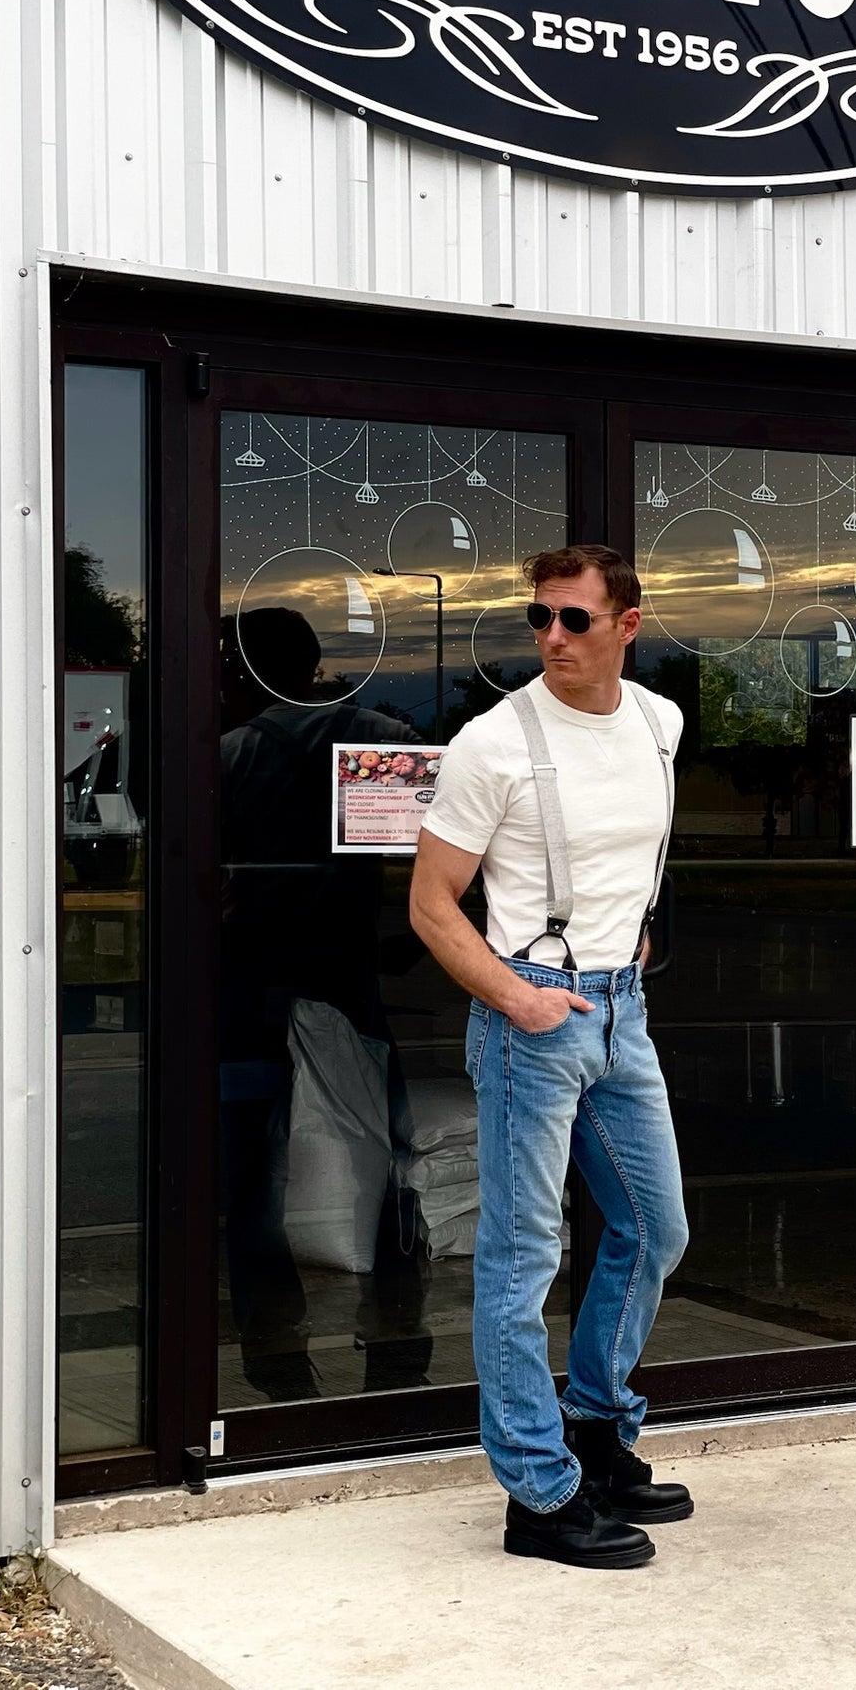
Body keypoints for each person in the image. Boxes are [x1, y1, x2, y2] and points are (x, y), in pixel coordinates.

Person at [410, 545, 691, 1570]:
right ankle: (537, 1492)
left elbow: (638, 859)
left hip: (622, 1011)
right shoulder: (495, 742)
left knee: (654, 1228)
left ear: (627, 622)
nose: (552, 638)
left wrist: (639, 942)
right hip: (534, 1016)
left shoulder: (657, 723)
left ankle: (597, 1427)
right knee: (520, 1259)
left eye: (574, 618)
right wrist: (518, 998)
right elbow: (429, 904)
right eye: (539, 618)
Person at [219, 607, 432, 1403]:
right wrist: (404, 946)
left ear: (243, 673)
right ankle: (397, 1352)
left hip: (250, 996)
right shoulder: (377, 736)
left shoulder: (230, 757)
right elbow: (436, 863)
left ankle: (276, 1363)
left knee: (253, 1182)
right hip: (351, 987)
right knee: (380, 1161)